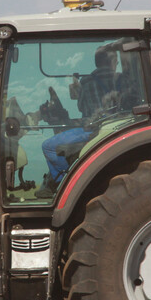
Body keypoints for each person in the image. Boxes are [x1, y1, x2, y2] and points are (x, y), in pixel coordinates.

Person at [37, 48, 120, 198]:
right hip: (120, 128)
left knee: (48, 146)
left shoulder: (87, 82)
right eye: (116, 61)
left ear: (97, 62)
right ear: (112, 62)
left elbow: (81, 107)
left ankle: (65, 183)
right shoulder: (120, 79)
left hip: (92, 130)